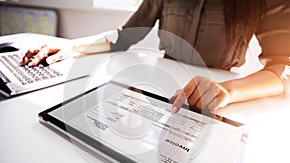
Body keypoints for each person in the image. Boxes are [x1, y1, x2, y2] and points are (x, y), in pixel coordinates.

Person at [21, 0, 290, 113]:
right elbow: (125, 36)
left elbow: (283, 67)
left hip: (219, 104)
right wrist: (70, 48)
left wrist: (226, 91)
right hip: (161, 93)